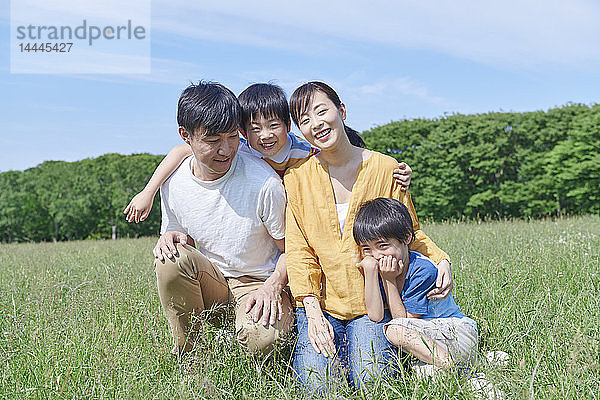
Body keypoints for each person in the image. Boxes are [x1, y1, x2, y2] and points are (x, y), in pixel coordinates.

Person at [284, 81, 453, 392]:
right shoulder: (296, 178)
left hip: (372, 308)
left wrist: (441, 260)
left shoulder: (386, 169)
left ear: (342, 111)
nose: (316, 124)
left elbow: (408, 232)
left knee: (373, 381)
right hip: (321, 305)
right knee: (316, 385)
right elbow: (298, 250)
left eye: (322, 111)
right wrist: (312, 311)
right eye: (304, 120)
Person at [123, 83, 412, 223]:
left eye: (274, 125)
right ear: (242, 131)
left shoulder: (303, 149)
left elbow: (344, 152)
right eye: (255, 128)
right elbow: (178, 152)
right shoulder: (240, 147)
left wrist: (390, 169)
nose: (265, 135)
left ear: (288, 125)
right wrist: (147, 192)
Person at [153, 81, 292, 355]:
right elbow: (184, 240)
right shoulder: (174, 182)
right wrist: (168, 237)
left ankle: (246, 331)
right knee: (171, 259)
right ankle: (193, 359)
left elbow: (293, 250)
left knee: (263, 339)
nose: (226, 150)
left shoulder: (264, 183)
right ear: (186, 136)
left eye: (232, 137)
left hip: (259, 283)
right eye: (213, 140)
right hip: (213, 281)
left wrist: (272, 286)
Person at [353, 198, 478, 377]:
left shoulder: (422, 269)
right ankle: (473, 365)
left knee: (394, 329)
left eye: (382, 245)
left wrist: (389, 280)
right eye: (367, 249)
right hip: (429, 340)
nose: (376, 255)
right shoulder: (380, 266)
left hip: (457, 332)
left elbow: (401, 320)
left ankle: (460, 371)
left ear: (406, 237)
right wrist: (372, 272)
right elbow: (375, 315)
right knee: (426, 377)